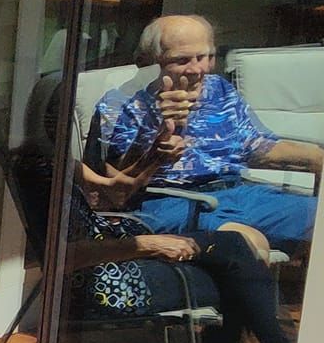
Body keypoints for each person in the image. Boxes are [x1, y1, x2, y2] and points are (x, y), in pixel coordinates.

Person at [53, 143, 294, 343]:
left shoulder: (50, 159)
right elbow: (61, 257)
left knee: (233, 245)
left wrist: (146, 159)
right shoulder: (39, 173)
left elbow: (117, 192)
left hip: (115, 250)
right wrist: (149, 245)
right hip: (109, 282)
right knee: (234, 277)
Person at [91, 13, 321, 248]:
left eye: (204, 57)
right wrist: (155, 130)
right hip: (171, 202)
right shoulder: (121, 103)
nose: (197, 69)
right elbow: (117, 185)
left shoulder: (218, 88)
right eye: (181, 60)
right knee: (247, 243)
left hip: (239, 192)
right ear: (148, 62)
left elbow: (255, 147)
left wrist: (317, 157)